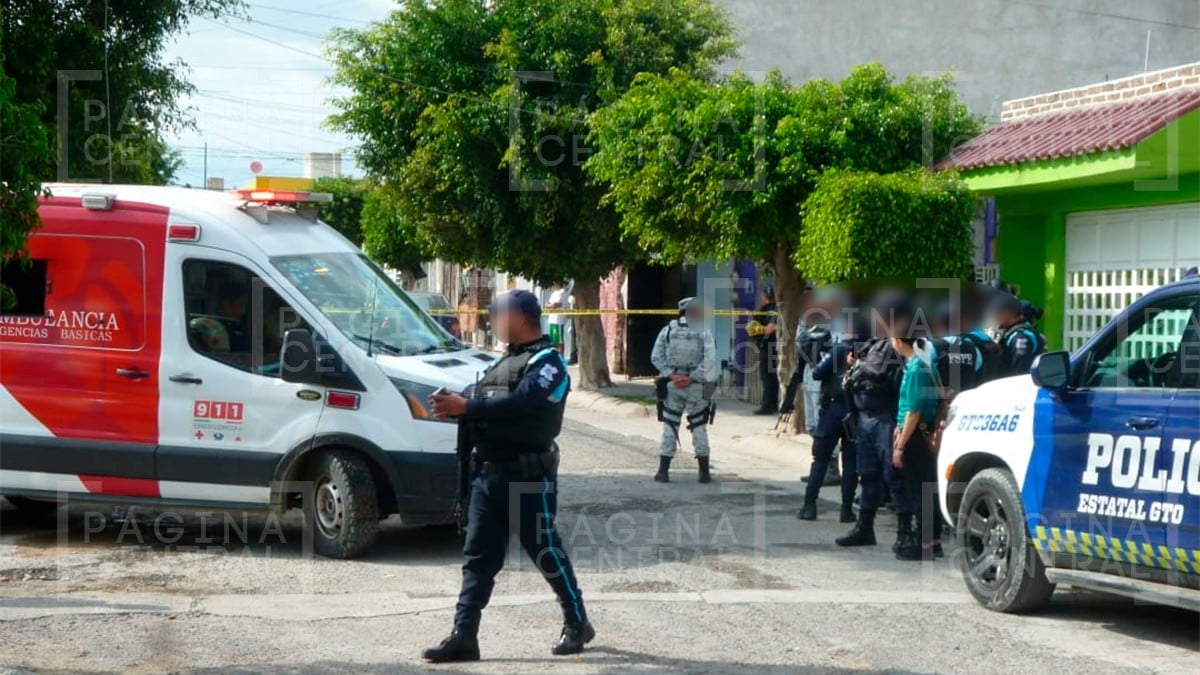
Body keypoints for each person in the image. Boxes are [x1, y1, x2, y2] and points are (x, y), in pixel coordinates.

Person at [423, 290, 593, 663]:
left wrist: (467, 405)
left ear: (519, 317)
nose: (494, 320)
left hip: (528, 478)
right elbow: (484, 397)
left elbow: (522, 403)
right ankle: (464, 636)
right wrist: (454, 404)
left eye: (499, 314)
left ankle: (576, 621)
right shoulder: (503, 362)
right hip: (489, 478)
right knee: (478, 559)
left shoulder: (549, 363)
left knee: (546, 552)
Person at [836, 293, 910, 550]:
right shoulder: (875, 343)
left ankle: (905, 531)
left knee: (894, 477)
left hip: (886, 418)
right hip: (865, 419)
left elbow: (902, 384)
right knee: (867, 476)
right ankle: (864, 528)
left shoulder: (902, 344)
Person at [651, 297, 717, 484]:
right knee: (699, 426)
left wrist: (670, 375)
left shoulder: (669, 330)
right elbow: (710, 359)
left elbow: (656, 356)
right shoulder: (703, 330)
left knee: (670, 425)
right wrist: (693, 377)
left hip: (673, 385)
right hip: (696, 386)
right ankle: (704, 473)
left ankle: (663, 472)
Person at [890, 335, 944, 561]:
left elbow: (913, 411)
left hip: (914, 436)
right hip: (924, 432)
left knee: (918, 492)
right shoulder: (927, 364)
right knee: (928, 488)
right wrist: (934, 431)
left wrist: (900, 446)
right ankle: (934, 542)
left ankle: (924, 545)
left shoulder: (914, 370)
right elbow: (943, 401)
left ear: (900, 341)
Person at [797, 326, 858, 523]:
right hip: (855, 413)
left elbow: (817, 373)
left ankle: (809, 506)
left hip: (833, 410)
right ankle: (846, 510)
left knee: (820, 460)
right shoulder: (870, 351)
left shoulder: (839, 349)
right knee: (851, 464)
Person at [989, 293, 1045, 378]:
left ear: (1008, 313)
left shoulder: (1021, 337)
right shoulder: (1012, 332)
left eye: (997, 313)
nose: (994, 317)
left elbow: (1019, 373)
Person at [749, 285, 779, 415]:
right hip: (765, 346)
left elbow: (770, 328)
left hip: (771, 347)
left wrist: (761, 329)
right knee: (767, 377)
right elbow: (752, 328)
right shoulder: (763, 310)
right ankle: (770, 405)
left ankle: (768, 406)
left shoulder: (775, 310)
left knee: (769, 378)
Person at [545, 281, 569, 355]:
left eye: (555, 283)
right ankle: (555, 357)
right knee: (554, 341)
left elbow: (556, 304)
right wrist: (550, 305)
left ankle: (561, 358)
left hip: (558, 320)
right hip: (552, 319)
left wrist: (550, 305)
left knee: (560, 341)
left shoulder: (562, 292)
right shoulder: (554, 293)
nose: (554, 285)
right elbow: (548, 303)